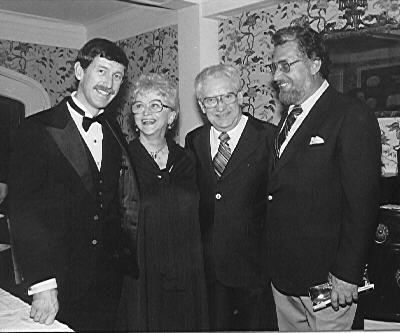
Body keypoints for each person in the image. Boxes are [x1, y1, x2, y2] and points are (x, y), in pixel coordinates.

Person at [8, 38, 139, 331]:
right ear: (80, 72)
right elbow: (24, 212)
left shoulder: (114, 129)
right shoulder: (35, 130)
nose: (109, 83)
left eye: (117, 76)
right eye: (102, 71)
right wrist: (42, 286)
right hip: (59, 282)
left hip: (108, 280)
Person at [265, 25, 381, 331]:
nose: (277, 76)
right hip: (286, 280)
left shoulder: (351, 115)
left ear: (315, 64)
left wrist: (347, 273)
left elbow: (363, 204)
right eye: (274, 67)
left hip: (330, 283)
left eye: (285, 65)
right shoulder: (289, 118)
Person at [185, 64, 277, 331]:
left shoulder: (268, 137)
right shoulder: (194, 141)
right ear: (202, 106)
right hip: (208, 272)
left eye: (227, 96)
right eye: (211, 100)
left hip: (254, 273)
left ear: (240, 96)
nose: (220, 106)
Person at [117, 73, 209, 332]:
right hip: (141, 276)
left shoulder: (188, 160)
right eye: (139, 105)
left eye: (156, 104)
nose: (146, 112)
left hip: (187, 271)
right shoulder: (121, 161)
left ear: (171, 116)